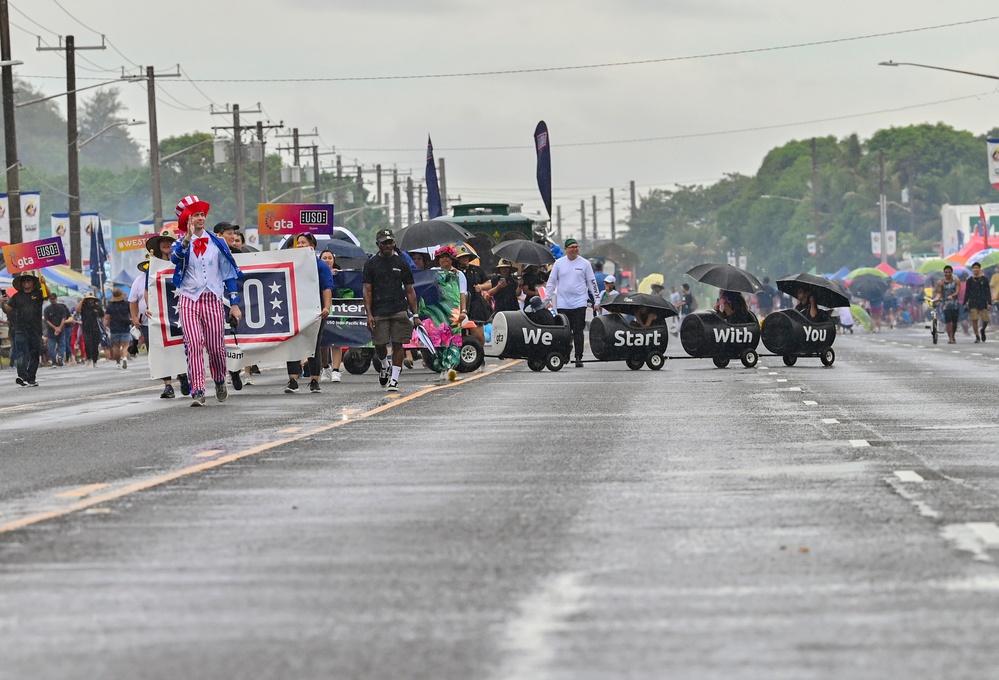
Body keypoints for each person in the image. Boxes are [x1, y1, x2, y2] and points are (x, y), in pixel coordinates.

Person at [170, 195, 243, 406]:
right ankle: (198, 390)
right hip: (189, 298)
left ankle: (220, 380)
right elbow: (175, 259)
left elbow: (228, 273)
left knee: (216, 348)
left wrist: (234, 304)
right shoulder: (180, 243)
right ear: (188, 219)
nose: (201, 218)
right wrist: (186, 239)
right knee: (193, 344)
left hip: (212, 298)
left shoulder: (218, 243)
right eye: (196, 215)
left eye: (202, 214)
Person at [362, 228, 422, 392]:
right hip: (379, 310)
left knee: (398, 344)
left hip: (399, 310)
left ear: (394, 243)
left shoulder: (401, 263)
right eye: (384, 243)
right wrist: (369, 314)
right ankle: (384, 364)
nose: (388, 245)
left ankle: (394, 379)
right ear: (378, 244)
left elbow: (410, 291)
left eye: (390, 242)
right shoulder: (371, 264)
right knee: (380, 344)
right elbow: (367, 290)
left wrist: (415, 314)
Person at [132, 229, 190, 398]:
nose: (165, 244)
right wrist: (150, 307)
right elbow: (147, 290)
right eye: (162, 241)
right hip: (159, 312)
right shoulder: (153, 266)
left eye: (169, 241)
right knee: (160, 347)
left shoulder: (181, 262)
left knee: (181, 345)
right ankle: (168, 386)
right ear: (157, 245)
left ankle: (183, 375)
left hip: (180, 309)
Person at [284, 232, 334, 394]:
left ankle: (314, 380)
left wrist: (326, 307)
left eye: (303, 243)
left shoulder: (321, 266)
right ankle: (293, 380)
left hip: (315, 310)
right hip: (295, 310)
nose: (300, 245)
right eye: (298, 243)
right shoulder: (292, 264)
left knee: (314, 344)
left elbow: (327, 287)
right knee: (292, 343)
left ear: (312, 246)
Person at [543, 238, 600, 367]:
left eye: (576, 247)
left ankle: (578, 357)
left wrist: (597, 300)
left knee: (578, 331)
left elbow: (592, 283)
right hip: (563, 303)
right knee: (565, 332)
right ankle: (565, 355)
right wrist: (547, 299)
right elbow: (551, 282)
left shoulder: (584, 264)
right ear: (566, 249)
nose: (575, 249)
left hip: (579, 302)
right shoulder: (559, 263)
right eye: (572, 247)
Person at [2, 273, 44, 386]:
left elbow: (47, 295)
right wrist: (2, 303)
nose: (26, 282)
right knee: (22, 353)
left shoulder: (38, 294)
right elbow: (8, 310)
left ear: (33, 282)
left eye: (29, 280)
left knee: (35, 354)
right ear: (21, 283)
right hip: (20, 329)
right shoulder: (16, 297)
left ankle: (31, 378)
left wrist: (44, 283)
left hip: (35, 329)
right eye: (24, 280)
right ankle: (22, 375)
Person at [453, 244, 488, 345]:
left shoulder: (477, 270)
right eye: (461, 257)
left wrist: (481, 287)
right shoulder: (453, 271)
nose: (464, 259)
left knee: (478, 335)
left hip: (476, 304)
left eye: (466, 256)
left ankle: (480, 354)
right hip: (457, 304)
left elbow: (488, 283)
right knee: (459, 333)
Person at [963, 260, 992, 343]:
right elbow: (967, 292)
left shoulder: (985, 279)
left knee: (985, 320)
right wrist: (965, 302)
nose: (976, 269)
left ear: (980, 269)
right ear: (972, 269)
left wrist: (989, 302)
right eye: (974, 268)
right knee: (974, 320)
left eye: (977, 268)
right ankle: (977, 336)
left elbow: (988, 292)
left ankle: (982, 330)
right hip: (973, 303)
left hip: (983, 302)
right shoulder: (969, 280)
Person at [104, 288, 132, 369]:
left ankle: (117, 363)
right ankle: (125, 358)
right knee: (126, 345)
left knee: (115, 346)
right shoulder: (126, 304)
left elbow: (107, 317)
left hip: (114, 327)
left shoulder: (110, 306)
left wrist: (104, 326)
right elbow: (131, 314)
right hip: (125, 326)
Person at [932, 265, 961, 344]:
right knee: (948, 321)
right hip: (945, 304)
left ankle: (953, 334)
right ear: (944, 273)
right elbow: (940, 293)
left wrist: (952, 295)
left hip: (955, 304)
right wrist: (936, 298)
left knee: (954, 322)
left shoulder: (956, 280)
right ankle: (950, 337)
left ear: (951, 272)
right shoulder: (940, 282)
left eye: (949, 272)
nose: (947, 274)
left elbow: (958, 291)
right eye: (946, 272)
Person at [42, 292, 71, 368]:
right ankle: (58, 358)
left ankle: (56, 360)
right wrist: (58, 328)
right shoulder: (59, 308)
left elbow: (47, 320)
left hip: (54, 330)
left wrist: (57, 328)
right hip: (55, 330)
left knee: (53, 346)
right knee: (59, 345)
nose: (52, 300)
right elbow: (63, 318)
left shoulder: (48, 309)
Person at [76, 292, 104, 367]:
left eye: (92, 299)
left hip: (96, 328)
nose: (90, 300)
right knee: (87, 343)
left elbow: (102, 316)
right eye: (89, 299)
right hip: (86, 328)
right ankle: (88, 358)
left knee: (95, 345)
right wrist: (82, 300)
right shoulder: (83, 307)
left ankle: (95, 361)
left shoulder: (97, 307)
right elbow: (77, 310)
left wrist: (104, 326)